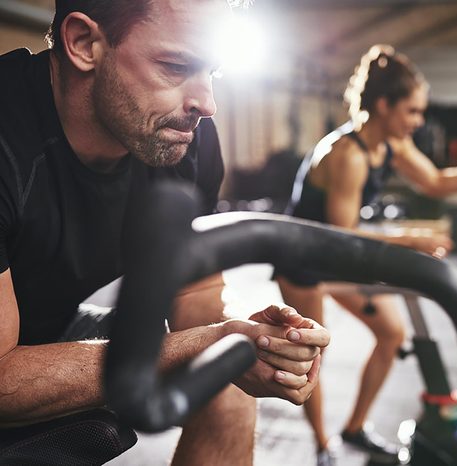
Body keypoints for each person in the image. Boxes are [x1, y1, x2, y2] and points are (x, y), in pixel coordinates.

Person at [0, 1, 330, 465]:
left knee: (224, 381)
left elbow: (196, 290)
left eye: (212, 71)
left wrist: (251, 343)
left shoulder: (183, 142)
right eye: (176, 66)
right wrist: (210, 341)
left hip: (48, 328)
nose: (207, 103)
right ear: (83, 43)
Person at [276, 44, 457, 465]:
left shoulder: (391, 143)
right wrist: (414, 242)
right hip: (305, 259)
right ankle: (322, 447)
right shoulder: (347, 155)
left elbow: (438, 182)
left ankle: (353, 428)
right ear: (384, 106)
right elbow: (343, 234)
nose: (418, 121)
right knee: (313, 353)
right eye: (412, 111)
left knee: (391, 335)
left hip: (337, 257)